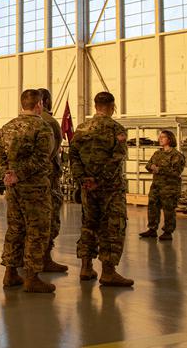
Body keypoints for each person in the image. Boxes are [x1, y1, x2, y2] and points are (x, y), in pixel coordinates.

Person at [69, 91, 134, 287]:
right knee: (112, 227)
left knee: (89, 225)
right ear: (112, 106)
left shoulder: (81, 129)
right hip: (110, 188)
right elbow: (117, 159)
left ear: (95, 105)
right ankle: (108, 271)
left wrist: (84, 179)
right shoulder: (117, 129)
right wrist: (100, 179)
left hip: (88, 187)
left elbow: (73, 156)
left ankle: (86, 267)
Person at [0, 89, 56, 293]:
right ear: (39, 104)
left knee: (15, 228)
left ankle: (10, 272)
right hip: (35, 188)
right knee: (36, 231)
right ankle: (32, 277)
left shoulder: (7, 128)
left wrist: (7, 173)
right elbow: (41, 158)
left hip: (13, 188)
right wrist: (19, 174)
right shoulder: (42, 127)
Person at [38, 88, 68, 273]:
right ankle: (44, 258)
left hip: (26, 180)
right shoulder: (49, 122)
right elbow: (54, 148)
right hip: (48, 178)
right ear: (46, 101)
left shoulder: (18, 123)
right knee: (49, 219)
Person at [139, 130, 186, 241]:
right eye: (160, 137)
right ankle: (152, 229)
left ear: (169, 139)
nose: (160, 139)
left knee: (168, 210)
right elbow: (148, 165)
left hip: (170, 187)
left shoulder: (176, 155)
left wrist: (159, 169)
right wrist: (152, 167)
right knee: (152, 208)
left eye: (163, 137)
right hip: (156, 186)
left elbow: (176, 171)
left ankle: (168, 232)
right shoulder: (157, 154)